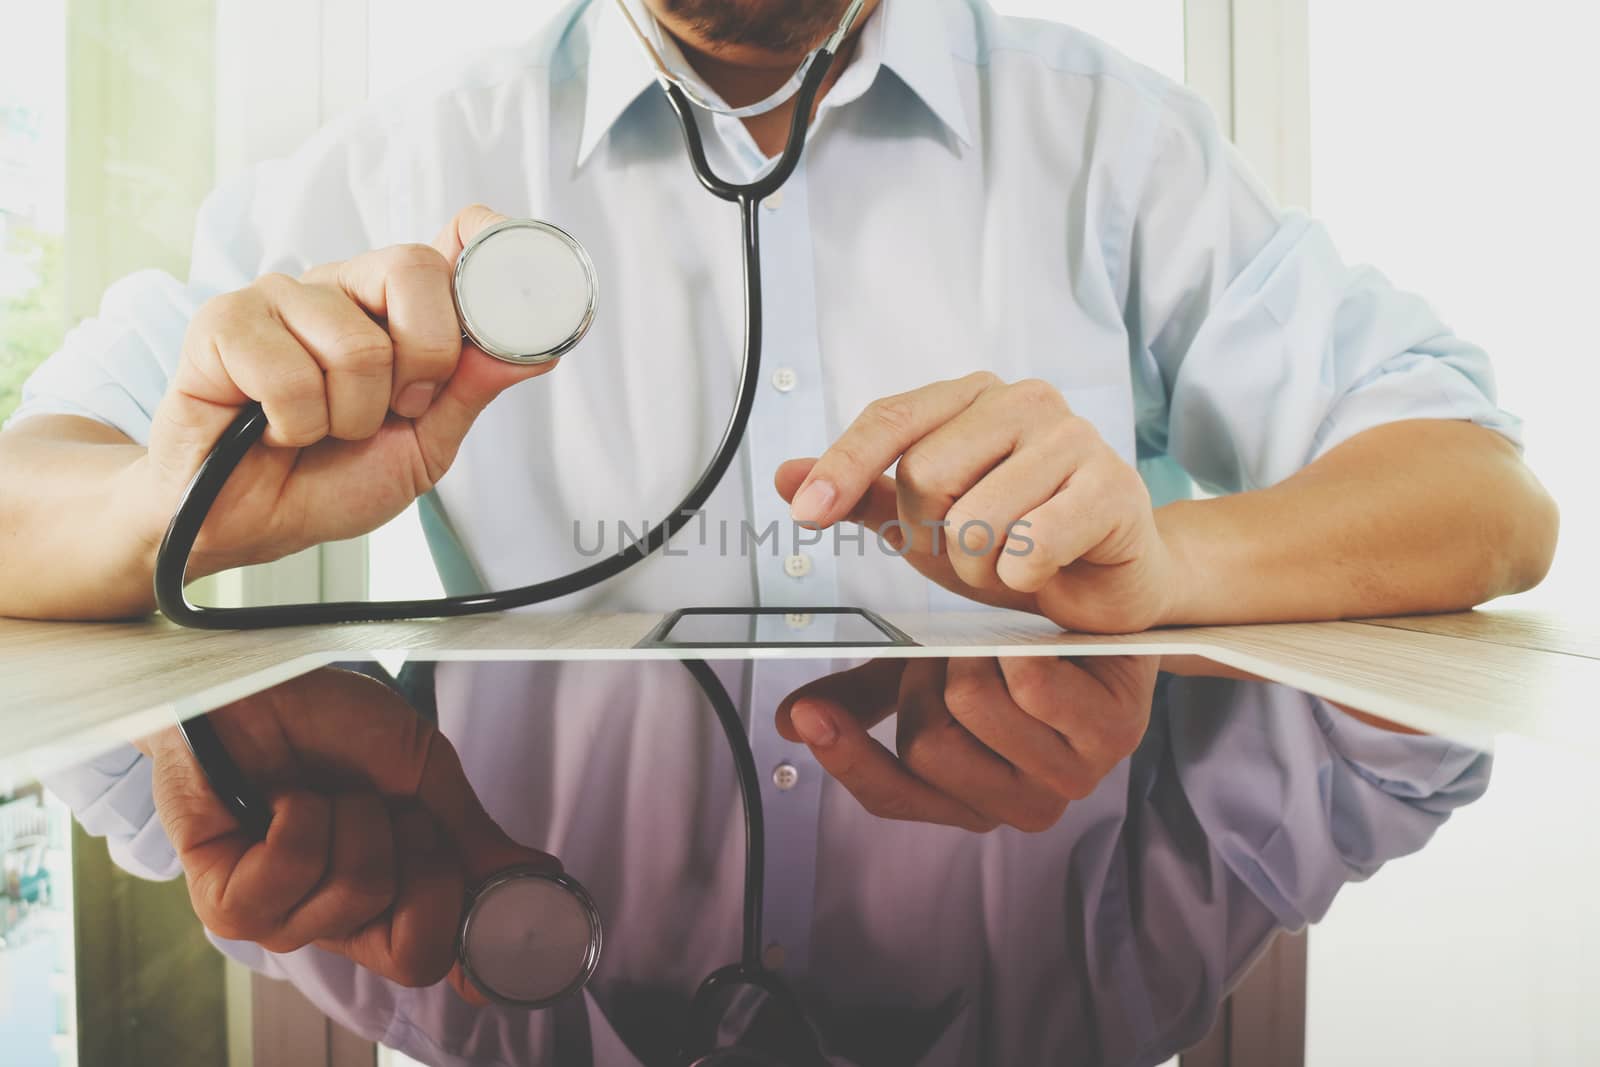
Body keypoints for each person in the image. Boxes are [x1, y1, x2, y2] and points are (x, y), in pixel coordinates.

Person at [0, 0, 1557, 1060]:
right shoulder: (400, 160)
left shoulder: (1112, 142)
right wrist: (168, 507)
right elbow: (21, 505)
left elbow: (1484, 495)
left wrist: (1169, 565)